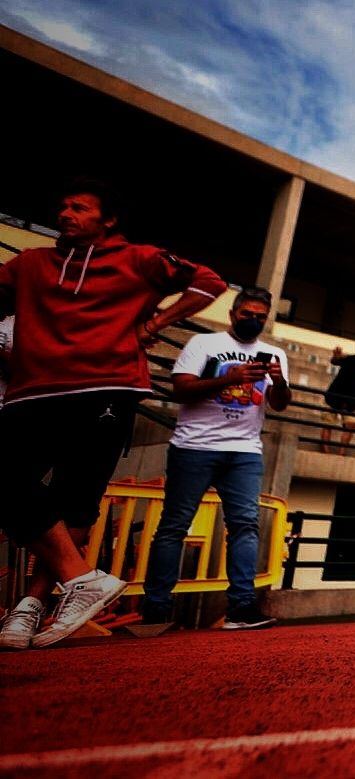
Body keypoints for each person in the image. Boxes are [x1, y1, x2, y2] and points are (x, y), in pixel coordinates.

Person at [0, 179, 224, 649]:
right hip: (32, 391)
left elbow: (209, 283)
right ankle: (81, 578)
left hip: (107, 385)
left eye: (79, 207)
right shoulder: (30, 263)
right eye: (62, 205)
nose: (65, 213)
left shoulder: (138, 258)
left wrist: (157, 321)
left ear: (108, 220)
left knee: (74, 501)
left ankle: (31, 604)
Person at [141, 286, 290, 630]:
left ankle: (240, 607)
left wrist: (279, 383)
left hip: (244, 451)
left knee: (245, 526)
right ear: (233, 313)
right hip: (195, 446)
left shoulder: (273, 353)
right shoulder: (204, 345)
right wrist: (232, 378)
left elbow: (280, 404)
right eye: (247, 314)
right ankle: (157, 608)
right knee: (174, 526)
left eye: (260, 317)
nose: (253, 321)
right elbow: (181, 389)